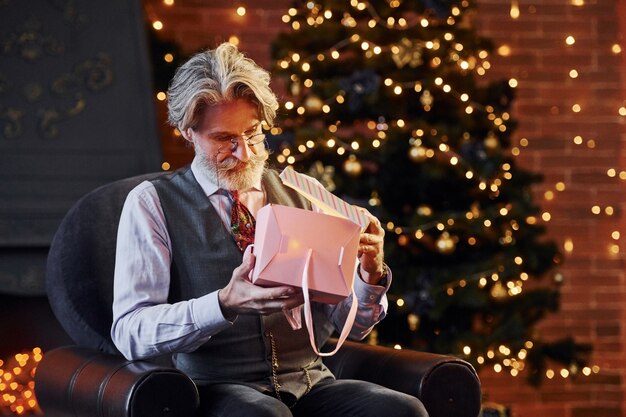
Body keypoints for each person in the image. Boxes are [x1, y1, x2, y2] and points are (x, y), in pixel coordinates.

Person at [111, 42, 427, 417]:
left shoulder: (303, 191)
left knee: (403, 410)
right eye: (224, 139)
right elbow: (130, 333)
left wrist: (368, 275)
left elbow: (351, 327)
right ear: (187, 131)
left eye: (253, 133)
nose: (244, 152)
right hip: (216, 388)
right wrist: (223, 303)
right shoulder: (151, 204)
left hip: (311, 381)